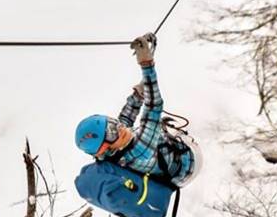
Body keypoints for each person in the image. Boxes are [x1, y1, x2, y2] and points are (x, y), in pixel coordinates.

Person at [74, 33, 201, 187]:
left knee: (143, 127)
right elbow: (154, 107)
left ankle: (164, 134)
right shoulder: (139, 152)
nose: (118, 128)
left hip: (167, 159)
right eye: (111, 132)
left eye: (111, 123)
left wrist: (138, 93)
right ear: (103, 149)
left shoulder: (115, 150)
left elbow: (127, 115)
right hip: (190, 161)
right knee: (154, 124)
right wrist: (146, 65)